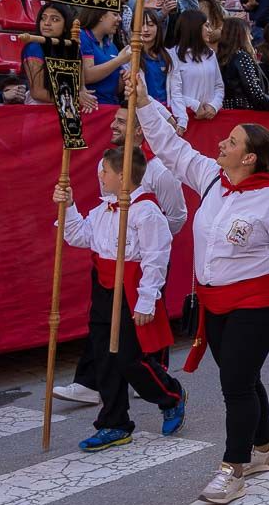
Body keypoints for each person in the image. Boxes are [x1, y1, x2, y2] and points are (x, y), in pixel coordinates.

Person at [128, 75, 269, 505]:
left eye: (231, 142)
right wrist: (143, 102)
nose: (221, 145)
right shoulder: (213, 179)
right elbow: (172, 148)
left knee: (234, 382)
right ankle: (265, 451)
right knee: (244, 377)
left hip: (259, 303)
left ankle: (233, 468)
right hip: (214, 302)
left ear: (250, 157)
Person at [52, 108, 188, 406]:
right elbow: (82, 235)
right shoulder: (105, 201)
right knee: (103, 336)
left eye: (122, 122)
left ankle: (155, 379)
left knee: (136, 338)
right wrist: (69, 207)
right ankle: (103, 396)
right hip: (106, 271)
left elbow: (175, 217)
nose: (113, 125)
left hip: (140, 265)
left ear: (141, 131)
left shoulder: (159, 174)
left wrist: (147, 241)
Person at [168, 10, 224, 132]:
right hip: (185, 121)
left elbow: (219, 85)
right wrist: (195, 105)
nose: (210, 30)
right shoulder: (173, 55)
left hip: (210, 121)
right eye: (206, 26)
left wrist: (214, 106)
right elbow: (172, 93)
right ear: (193, 28)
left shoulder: (210, 54)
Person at [218, 19, 269, 112]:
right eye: (248, 34)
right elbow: (254, 92)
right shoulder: (242, 56)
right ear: (240, 36)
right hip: (245, 115)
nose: (252, 38)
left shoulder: (222, 57)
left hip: (229, 113)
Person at [79, 8, 131, 105]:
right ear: (101, 16)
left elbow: (115, 89)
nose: (120, 19)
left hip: (111, 106)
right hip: (91, 109)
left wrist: (125, 77)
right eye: (115, 14)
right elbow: (86, 76)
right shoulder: (82, 36)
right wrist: (119, 60)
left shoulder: (111, 45)